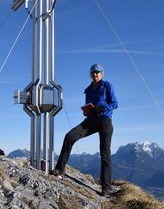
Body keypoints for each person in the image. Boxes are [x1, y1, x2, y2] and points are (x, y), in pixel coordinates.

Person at [50, 63, 118, 195]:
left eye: (98, 72)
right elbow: (89, 106)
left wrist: (102, 107)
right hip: (91, 121)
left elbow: (115, 103)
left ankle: (106, 187)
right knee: (70, 136)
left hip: (105, 121)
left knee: (105, 153)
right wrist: (87, 111)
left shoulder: (107, 85)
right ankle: (60, 169)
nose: (95, 75)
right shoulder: (88, 89)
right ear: (90, 74)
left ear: (102, 74)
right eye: (93, 72)